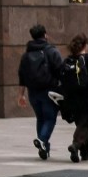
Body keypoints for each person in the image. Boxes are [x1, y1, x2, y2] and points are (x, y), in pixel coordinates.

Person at [17, 24, 64, 160]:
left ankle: (44, 148)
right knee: (50, 118)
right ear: (45, 35)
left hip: (33, 91)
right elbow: (60, 69)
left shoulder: (26, 54)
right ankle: (42, 140)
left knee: (41, 118)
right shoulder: (51, 51)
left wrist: (21, 94)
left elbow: (22, 75)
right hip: (49, 90)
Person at [59, 34, 88, 162]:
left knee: (82, 123)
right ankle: (76, 144)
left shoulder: (68, 60)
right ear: (85, 46)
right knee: (85, 124)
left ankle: (86, 153)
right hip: (87, 96)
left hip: (71, 97)